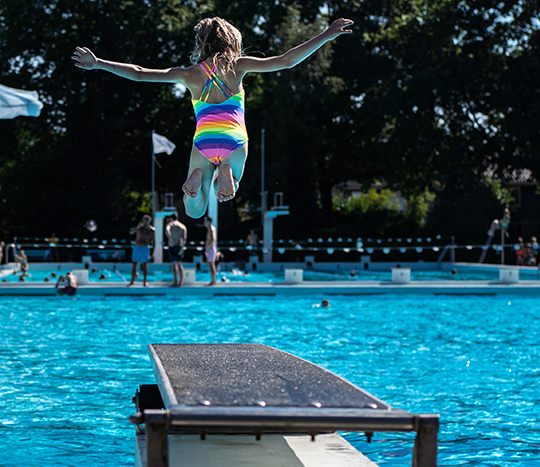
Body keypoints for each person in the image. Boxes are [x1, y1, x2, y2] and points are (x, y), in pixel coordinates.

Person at [73, 16, 354, 217]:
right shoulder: (238, 66)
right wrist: (326, 34)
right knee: (229, 190)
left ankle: (198, 178)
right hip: (234, 139)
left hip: (203, 142)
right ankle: (227, 173)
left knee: (194, 211)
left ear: (201, 43)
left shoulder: (189, 74)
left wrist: (98, 63)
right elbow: (285, 60)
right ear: (232, 39)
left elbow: (138, 72)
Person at [129, 214, 154, 286]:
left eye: (146, 220)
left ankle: (144, 282)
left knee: (145, 265)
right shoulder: (139, 228)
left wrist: (153, 252)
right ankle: (132, 281)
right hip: (137, 247)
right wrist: (137, 227)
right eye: (144, 220)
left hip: (145, 247)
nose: (145, 222)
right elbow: (131, 232)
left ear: (149, 221)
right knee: (134, 264)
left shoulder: (151, 230)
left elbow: (154, 242)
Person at [165, 213, 187, 287]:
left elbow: (167, 230)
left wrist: (170, 238)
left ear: (171, 218)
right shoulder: (182, 226)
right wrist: (182, 248)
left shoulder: (170, 225)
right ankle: (181, 282)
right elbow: (184, 239)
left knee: (174, 265)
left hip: (172, 245)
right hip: (179, 246)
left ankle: (175, 282)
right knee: (180, 264)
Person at [203, 215, 218, 286]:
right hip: (209, 249)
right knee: (210, 265)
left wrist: (208, 247)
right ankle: (212, 281)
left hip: (211, 249)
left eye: (205, 221)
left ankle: (213, 281)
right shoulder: (209, 228)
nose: (204, 222)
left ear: (209, 221)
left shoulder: (212, 229)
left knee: (212, 266)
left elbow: (213, 239)